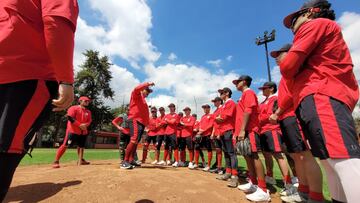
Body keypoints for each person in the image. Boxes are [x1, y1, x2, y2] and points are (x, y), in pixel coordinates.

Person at [282, 0, 360, 202]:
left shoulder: (316, 24)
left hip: (321, 94)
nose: (292, 27)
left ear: (310, 13)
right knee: (328, 162)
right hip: (316, 97)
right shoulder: (320, 28)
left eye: (294, 20)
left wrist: (292, 66)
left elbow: (287, 67)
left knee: (344, 160)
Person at [0, 0, 78, 201]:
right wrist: (65, 79)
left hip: (8, 67)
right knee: (6, 149)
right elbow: (56, 21)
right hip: (26, 74)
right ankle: (56, 160)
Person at [269, 43, 323, 203]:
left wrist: (277, 112)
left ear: (290, 53)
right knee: (296, 156)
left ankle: (316, 196)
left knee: (305, 155)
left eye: (280, 53)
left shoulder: (293, 70)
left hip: (292, 115)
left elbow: (292, 94)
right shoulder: (285, 74)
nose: (276, 58)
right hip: (286, 117)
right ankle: (303, 191)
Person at [233, 76, 270, 202]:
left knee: (254, 156)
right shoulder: (243, 95)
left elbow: (248, 111)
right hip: (244, 130)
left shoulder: (249, 93)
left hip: (250, 129)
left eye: (237, 82)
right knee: (247, 156)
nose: (236, 84)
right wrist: (238, 132)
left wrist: (243, 130)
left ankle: (263, 190)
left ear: (244, 82)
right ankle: (253, 183)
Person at [258, 82, 295, 196]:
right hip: (263, 130)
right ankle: (270, 176)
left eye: (265, 88)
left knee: (278, 155)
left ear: (271, 88)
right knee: (266, 154)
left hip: (272, 129)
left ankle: (288, 183)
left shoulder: (275, 98)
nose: (262, 90)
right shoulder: (263, 101)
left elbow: (270, 114)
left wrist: (259, 118)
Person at [120, 82, 155, 169]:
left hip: (141, 123)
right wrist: (148, 84)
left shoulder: (143, 100)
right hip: (135, 120)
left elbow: (144, 114)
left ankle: (131, 160)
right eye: (146, 91)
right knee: (133, 140)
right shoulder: (136, 95)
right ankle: (125, 161)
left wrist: (147, 125)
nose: (147, 93)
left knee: (136, 142)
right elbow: (136, 89)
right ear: (142, 90)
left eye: (148, 92)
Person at [53, 96, 92, 168]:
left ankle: (81, 160)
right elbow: (70, 118)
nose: (87, 102)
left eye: (88, 101)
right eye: (85, 101)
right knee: (65, 145)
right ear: (80, 101)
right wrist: (79, 125)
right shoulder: (73, 108)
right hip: (72, 131)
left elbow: (89, 121)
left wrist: (85, 125)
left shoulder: (88, 111)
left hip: (83, 131)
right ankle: (56, 161)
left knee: (81, 146)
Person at [215, 87, 238, 188]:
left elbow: (224, 117)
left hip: (229, 130)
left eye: (222, 93)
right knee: (226, 152)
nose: (220, 95)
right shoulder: (224, 105)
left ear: (227, 93)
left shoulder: (230, 103)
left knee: (231, 153)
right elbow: (218, 119)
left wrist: (218, 118)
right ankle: (228, 172)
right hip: (223, 131)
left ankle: (234, 176)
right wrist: (217, 119)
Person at [195, 104, 214, 172]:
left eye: (206, 108)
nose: (205, 109)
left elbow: (211, 125)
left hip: (207, 135)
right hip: (201, 135)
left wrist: (203, 131)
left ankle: (208, 166)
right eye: (204, 108)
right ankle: (196, 164)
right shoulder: (202, 116)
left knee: (209, 149)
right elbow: (200, 125)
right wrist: (199, 130)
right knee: (197, 148)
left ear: (209, 108)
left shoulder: (211, 115)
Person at [209, 97, 224, 174]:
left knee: (228, 152)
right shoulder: (215, 111)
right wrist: (213, 133)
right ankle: (219, 167)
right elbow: (215, 124)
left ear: (219, 101)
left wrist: (219, 133)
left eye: (215, 101)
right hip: (216, 133)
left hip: (222, 132)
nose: (214, 103)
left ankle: (230, 170)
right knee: (218, 151)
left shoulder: (223, 108)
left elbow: (222, 121)